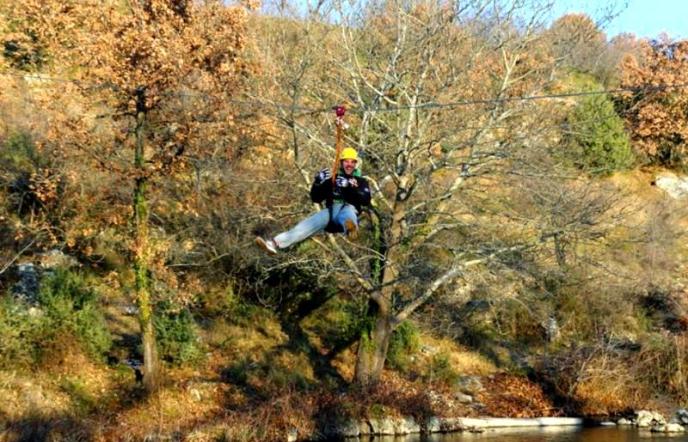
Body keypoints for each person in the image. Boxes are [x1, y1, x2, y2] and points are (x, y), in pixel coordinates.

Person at [255, 147, 371, 255]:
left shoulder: (361, 182)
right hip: (330, 213)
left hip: (349, 209)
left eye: (352, 162)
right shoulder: (332, 181)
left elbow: (365, 200)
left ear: (355, 164)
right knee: (305, 226)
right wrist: (317, 182)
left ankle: (351, 229)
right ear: (341, 163)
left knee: (347, 214)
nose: (349, 165)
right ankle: (274, 244)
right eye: (346, 161)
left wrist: (350, 187)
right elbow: (316, 198)